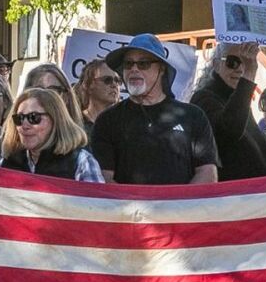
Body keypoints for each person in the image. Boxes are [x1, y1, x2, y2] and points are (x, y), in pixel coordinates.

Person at [90, 34, 218, 186]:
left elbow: (207, 172)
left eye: (143, 64)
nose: (134, 69)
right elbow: (102, 179)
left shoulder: (193, 116)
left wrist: (178, 206)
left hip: (181, 208)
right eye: (128, 64)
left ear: (161, 69)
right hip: (127, 209)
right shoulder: (107, 120)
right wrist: (137, 208)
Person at [191, 41, 266, 181]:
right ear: (216, 64)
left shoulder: (237, 99)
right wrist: (248, 78)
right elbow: (229, 132)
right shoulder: (204, 98)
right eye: (232, 62)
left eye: (247, 62)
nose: (241, 69)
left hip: (261, 195)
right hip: (234, 197)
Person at [0, 89, 104, 182]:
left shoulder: (81, 162)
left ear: (55, 120)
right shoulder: (6, 163)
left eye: (34, 117)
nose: (24, 126)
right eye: (19, 118)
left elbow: (97, 203)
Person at [22, 63, 84, 136]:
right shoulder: (17, 142)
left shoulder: (82, 141)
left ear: (66, 97)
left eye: (53, 90)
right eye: (38, 90)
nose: (46, 96)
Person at [77, 61, 122, 131]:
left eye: (117, 80)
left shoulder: (126, 125)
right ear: (87, 85)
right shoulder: (74, 125)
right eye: (107, 80)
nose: (114, 85)